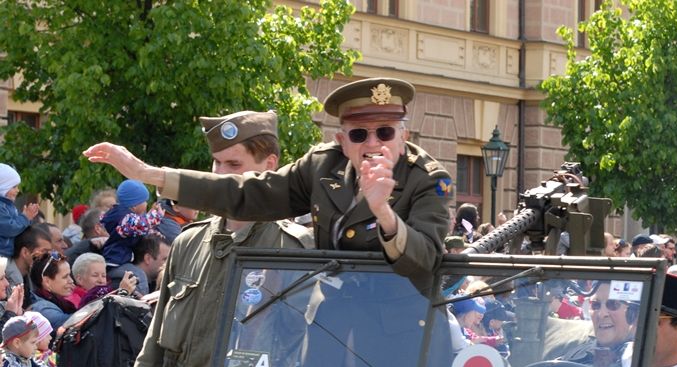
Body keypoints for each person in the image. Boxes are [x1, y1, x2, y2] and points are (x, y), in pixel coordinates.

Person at [84, 77, 452, 293]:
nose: (372, 144)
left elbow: (426, 260)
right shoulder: (324, 164)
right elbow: (245, 194)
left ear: (403, 137)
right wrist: (149, 174)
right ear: (342, 140)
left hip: (405, 337)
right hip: (333, 332)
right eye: (359, 134)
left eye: (385, 132)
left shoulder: (427, 178)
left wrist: (383, 213)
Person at [128, 110, 313, 367]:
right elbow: (153, 351)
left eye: (234, 164)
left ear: (269, 167)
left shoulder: (293, 249)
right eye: (218, 162)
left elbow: (302, 356)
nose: (221, 174)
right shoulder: (189, 243)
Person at [565, 282, 637, 367]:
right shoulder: (574, 359)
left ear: (634, 313)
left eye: (613, 304)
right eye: (596, 305)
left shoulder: (647, 364)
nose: (602, 314)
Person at [99, 179, 165, 278]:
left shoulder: (125, 217)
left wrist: (152, 233)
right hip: (116, 262)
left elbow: (137, 230)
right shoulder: (124, 217)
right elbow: (140, 224)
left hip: (122, 259)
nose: (147, 204)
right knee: (139, 277)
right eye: (144, 201)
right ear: (134, 205)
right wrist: (157, 215)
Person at [27, 252, 77, 330]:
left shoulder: (59, 301)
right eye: (65, 277)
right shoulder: (42, 309)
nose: (71, 281)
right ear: (47, 281)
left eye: (70, 275)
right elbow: (71, 323)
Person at [0, 163, 39, 259]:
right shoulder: (1, 207)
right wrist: (25, 217)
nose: (17, 190)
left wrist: (28, 218)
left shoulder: (7, 205)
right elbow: (9, 228)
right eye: (14, 187)